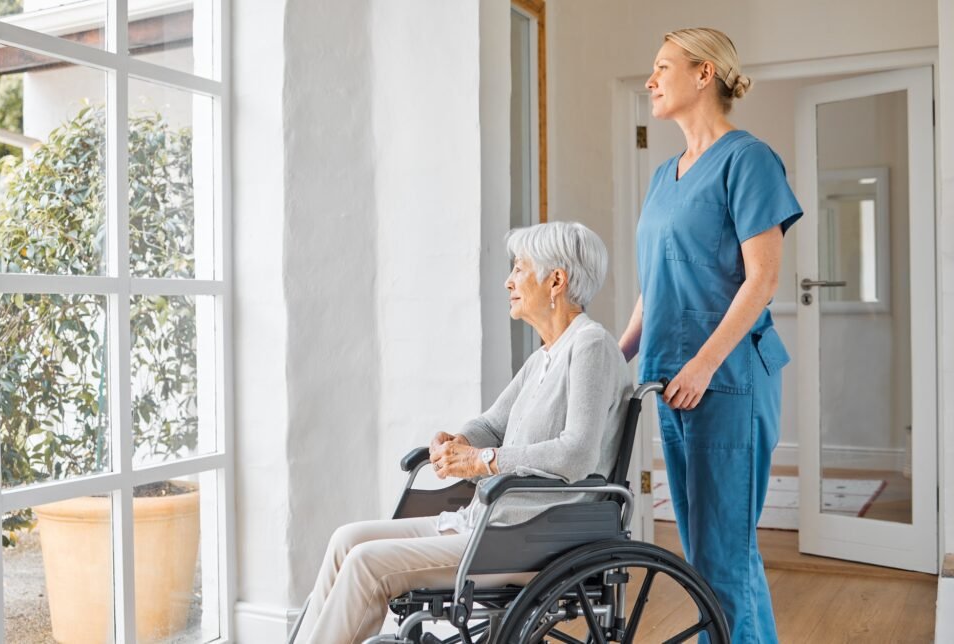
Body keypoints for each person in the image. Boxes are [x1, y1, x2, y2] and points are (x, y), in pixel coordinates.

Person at [293, 221, 632, 643]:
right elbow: (492, 424)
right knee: (347, 540)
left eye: (519, 268)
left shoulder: (591, 347)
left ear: (556, 281)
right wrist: (461, 442)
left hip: (530, 535)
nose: (508, 281)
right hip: (491, 521)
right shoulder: (545, 356)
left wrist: (483, 460)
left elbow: (576, 454)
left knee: (365, 563)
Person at [618, 28, 802, 643]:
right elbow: (655, 282)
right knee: (708, 558)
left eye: (662, 66)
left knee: (722, 560)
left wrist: (701, 365)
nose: (650, 79)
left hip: (725, 382)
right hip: (670, 379)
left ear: (704, 75)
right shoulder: (664, 174)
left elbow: (763, 280)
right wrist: (615, 354)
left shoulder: (748, 159)